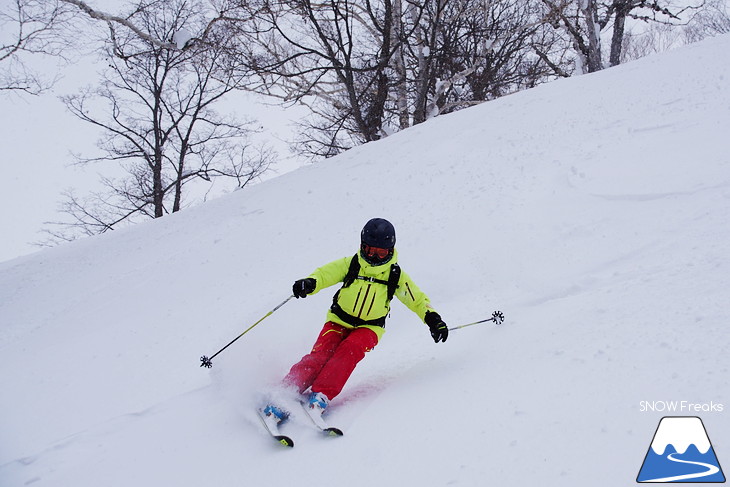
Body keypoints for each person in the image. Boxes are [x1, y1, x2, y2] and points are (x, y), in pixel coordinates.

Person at [274, 217, 449, 418]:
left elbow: (417, 300)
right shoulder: (351, 264)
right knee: (319, 356)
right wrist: (310, 283)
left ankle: (320, 395)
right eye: (370, 251)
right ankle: (287, 390)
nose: (374, 257)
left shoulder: (395, 275)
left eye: (381, 252)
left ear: (390, 250)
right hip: (338, 320)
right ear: (362, 246)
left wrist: (433, 319)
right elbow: (325, 274)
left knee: (348, 352)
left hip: (369, 327)